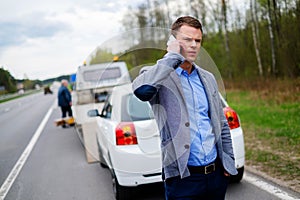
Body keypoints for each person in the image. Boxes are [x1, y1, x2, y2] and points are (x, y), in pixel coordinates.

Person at [132, 16, 237, 200]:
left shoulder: (208, 78)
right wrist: (171, 56)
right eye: (188, 39)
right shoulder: (159, 75)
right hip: (182, 180)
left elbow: (221, 124)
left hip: (215, 176)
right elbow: (142, 91)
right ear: (173, 41)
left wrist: (228, 161)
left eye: (198, 40)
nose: (194, 45)